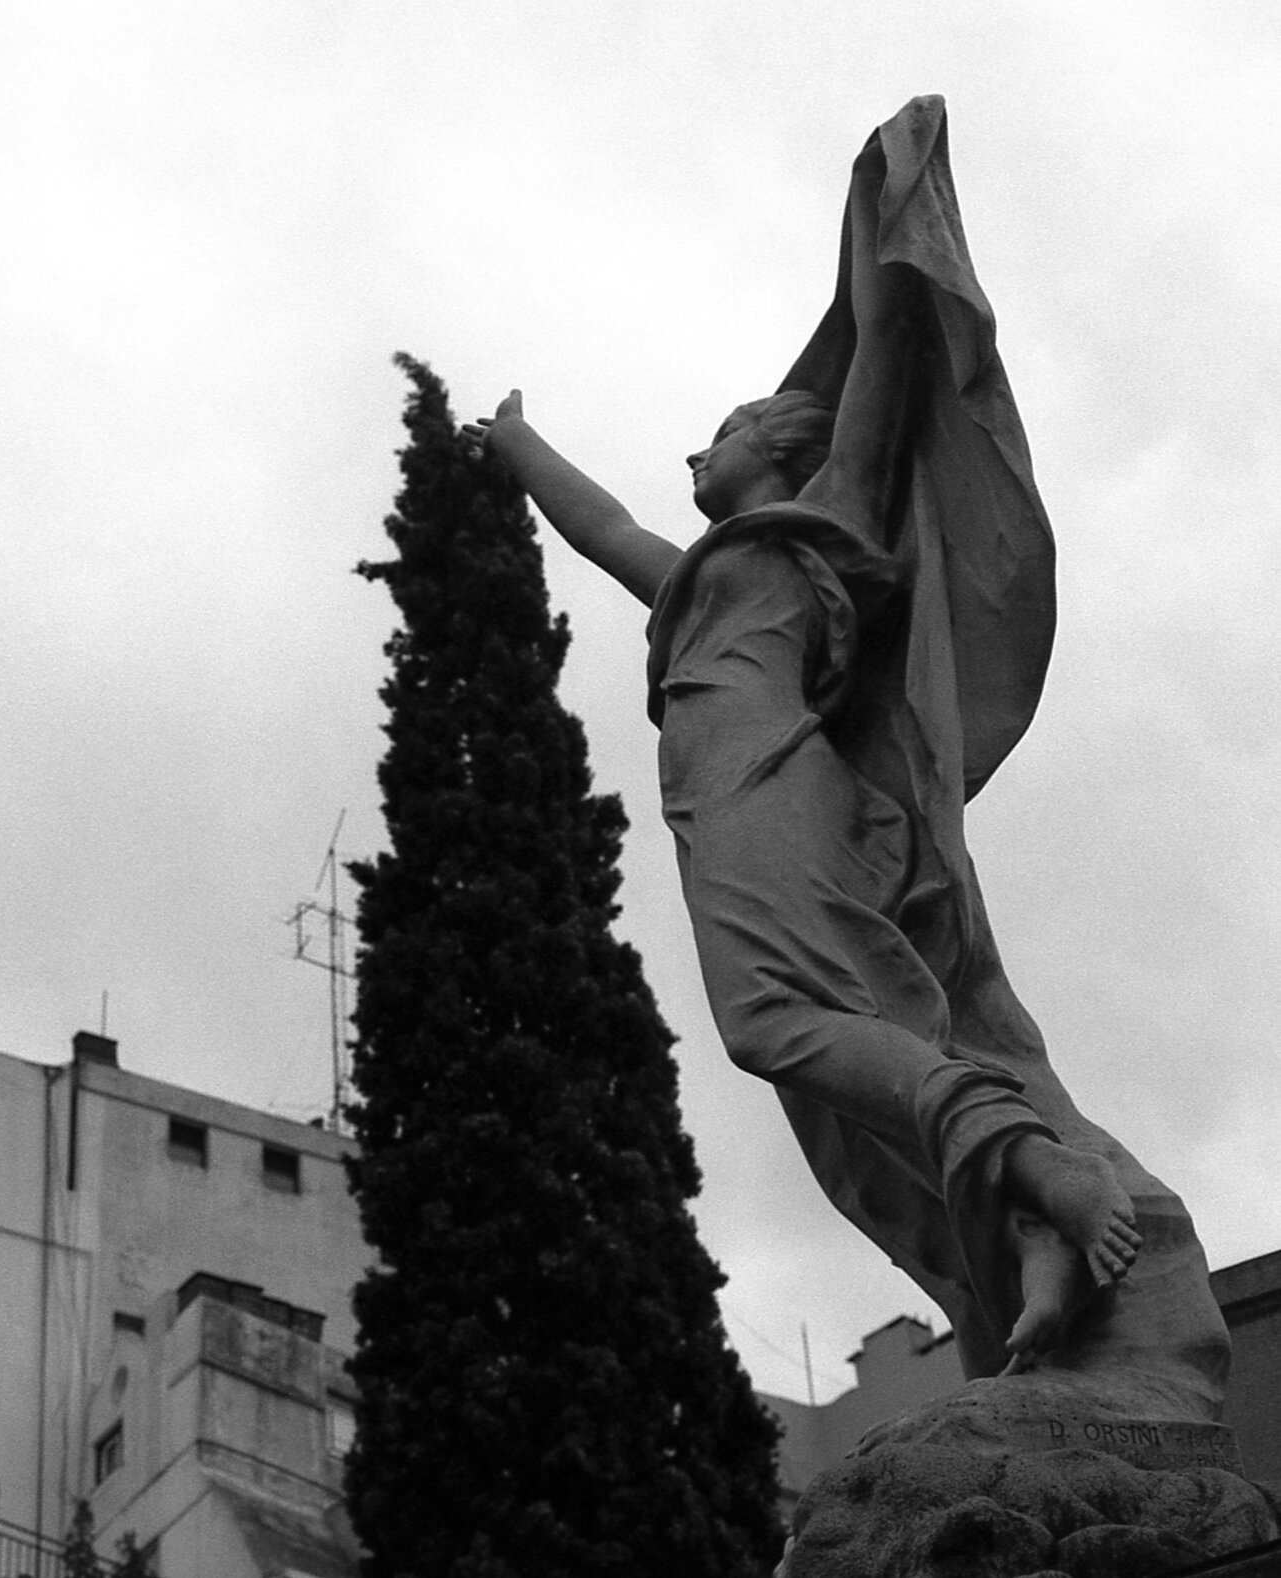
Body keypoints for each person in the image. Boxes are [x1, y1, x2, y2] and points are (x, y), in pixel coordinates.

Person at [458, 102, 1158, 1374]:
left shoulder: (825, 517)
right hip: (729, 798)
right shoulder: (709, 571)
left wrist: (882, 218)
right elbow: (606, 525)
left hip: (772, 781)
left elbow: (886, 353)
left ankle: (1034, 1161)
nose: (693, 446)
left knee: (773, 1017)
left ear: (786, 449)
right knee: (808, 1051)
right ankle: (1021, 1223)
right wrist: (517, 446)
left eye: (721, 430)